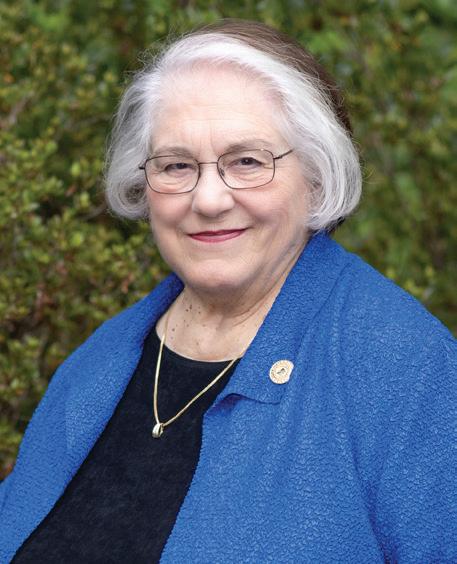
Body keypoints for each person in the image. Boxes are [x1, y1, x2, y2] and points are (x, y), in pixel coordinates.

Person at [1, 19, 456, 563]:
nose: (209, 199)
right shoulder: (97, 366)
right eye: (176, 165)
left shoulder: (404, 367)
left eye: (247, 161)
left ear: (316, 177)